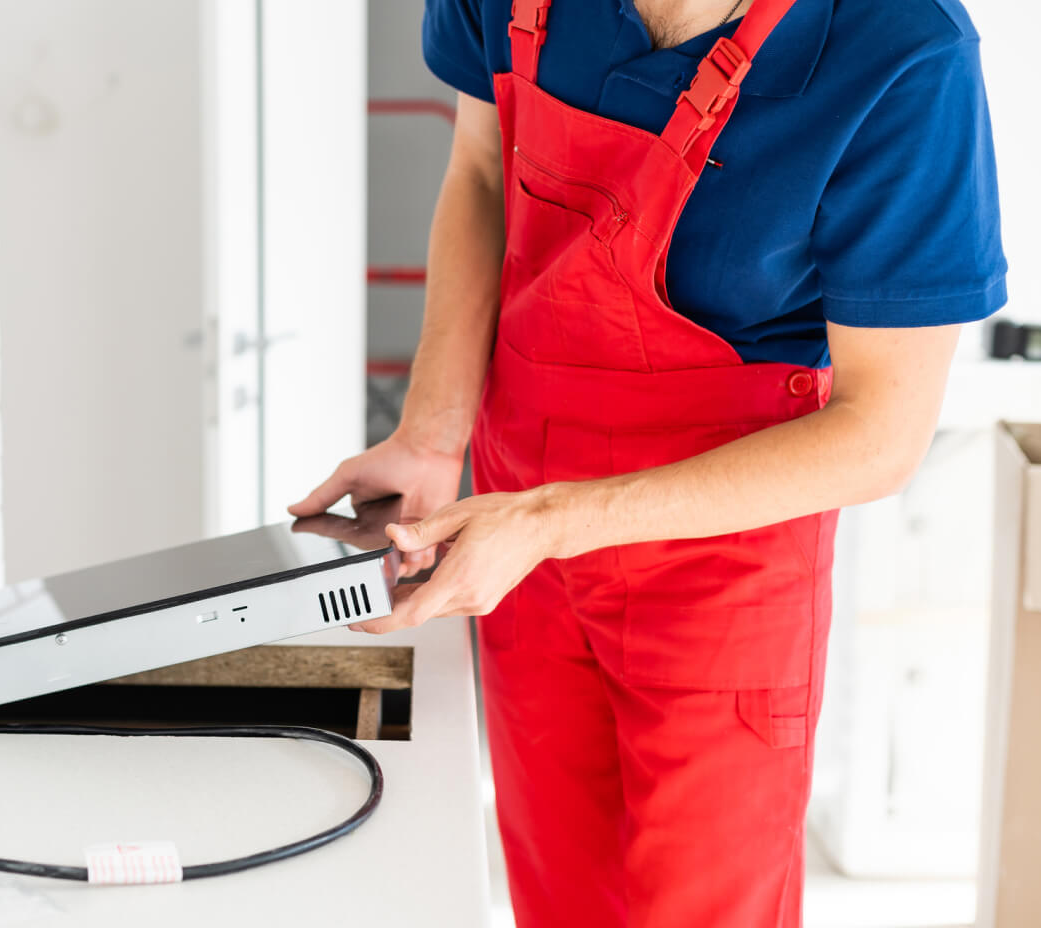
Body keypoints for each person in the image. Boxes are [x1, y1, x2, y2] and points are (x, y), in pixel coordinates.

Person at [288, 0, 1007, 925]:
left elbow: (880, 436)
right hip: (518, 553)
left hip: (719, 571)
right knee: (558, 896)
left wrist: (551, 518)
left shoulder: (901, 50)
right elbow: (478, 169)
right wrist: (432, 435)